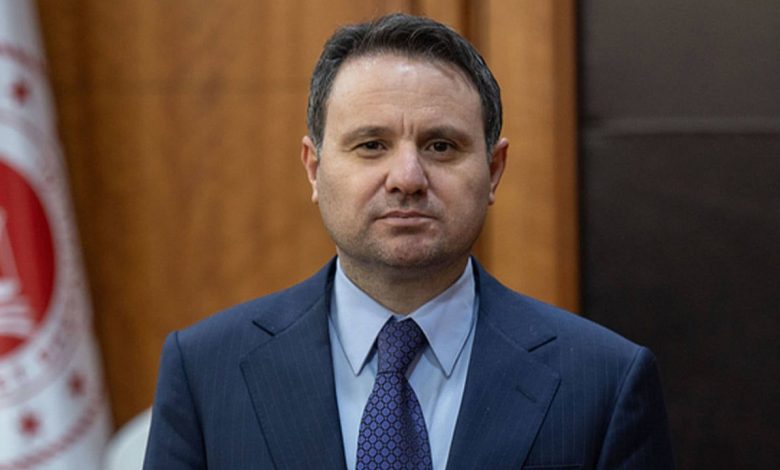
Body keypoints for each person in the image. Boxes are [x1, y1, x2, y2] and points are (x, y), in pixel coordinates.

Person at [143, 13, 674, 470]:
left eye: (440, 146)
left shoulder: (604, 383)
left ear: (493, 170)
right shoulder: (205, 372)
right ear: (314, 168)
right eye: (371, 145)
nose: (407, 178)